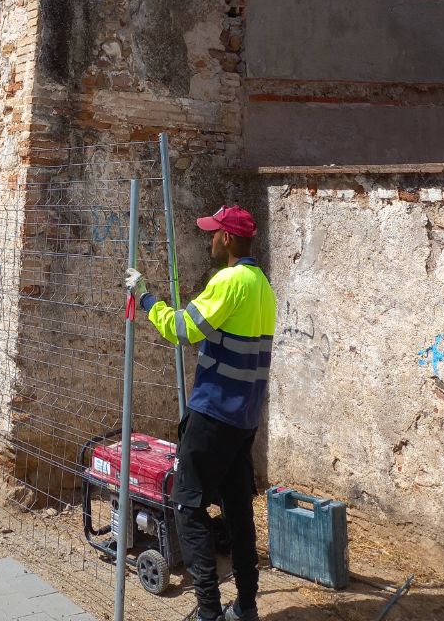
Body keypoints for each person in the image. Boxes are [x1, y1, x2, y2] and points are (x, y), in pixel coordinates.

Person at [125, 204, 276, 621]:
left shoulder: (229, 281)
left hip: (213, 414)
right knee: (238, 512)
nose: (209, 239)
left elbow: (182, 329)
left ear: (227, 238)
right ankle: (246, 608)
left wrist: (145, 297)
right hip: (244, 418)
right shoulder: (263, 284)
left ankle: (207, 610)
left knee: (187, 503)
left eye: (213, 232)